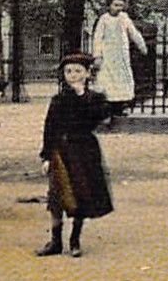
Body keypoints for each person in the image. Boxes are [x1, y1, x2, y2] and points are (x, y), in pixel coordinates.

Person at [38, 54, 114, 257]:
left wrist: (83, 96)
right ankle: (55, 241)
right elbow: (49, 128)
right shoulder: (58, 100)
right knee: (57, 196)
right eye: (68, 71)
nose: (73, 75)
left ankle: (74, 240)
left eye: (78, 71)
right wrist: (46, 156)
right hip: (61, 151)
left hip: (84, 152)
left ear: (88, 74)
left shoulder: (95, 99)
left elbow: (101, 118)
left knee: (80, 194)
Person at [90, 0, 145, 120]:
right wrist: (97, 55)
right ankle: (108, 110)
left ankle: (119, 108)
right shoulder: (104, 19)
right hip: (108, 55)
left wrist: (141, 45)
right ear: (109, 6)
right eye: (116, 5)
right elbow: (98, 38)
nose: (118, 8)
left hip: (121, 55)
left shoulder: (124, 18)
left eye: (121, 5)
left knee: (121, 80)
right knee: (108, 81)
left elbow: (133, 32)